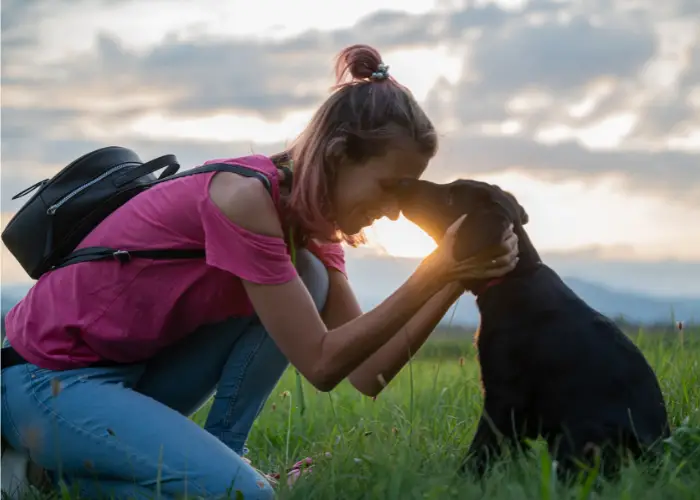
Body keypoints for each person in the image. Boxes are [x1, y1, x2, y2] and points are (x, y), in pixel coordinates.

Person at [0, 44, 519, 500]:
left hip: (129, 376)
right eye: (388, 186)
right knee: (245, 496)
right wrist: (432, 273)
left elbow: (368, 373)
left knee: (309, 277)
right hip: (49, 381)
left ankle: (224, 457)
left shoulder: (312, 229)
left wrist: (454, 275)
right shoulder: (243, 198)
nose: (392, 210)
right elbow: (320, 363)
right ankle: (41, 477)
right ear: (338, 157)